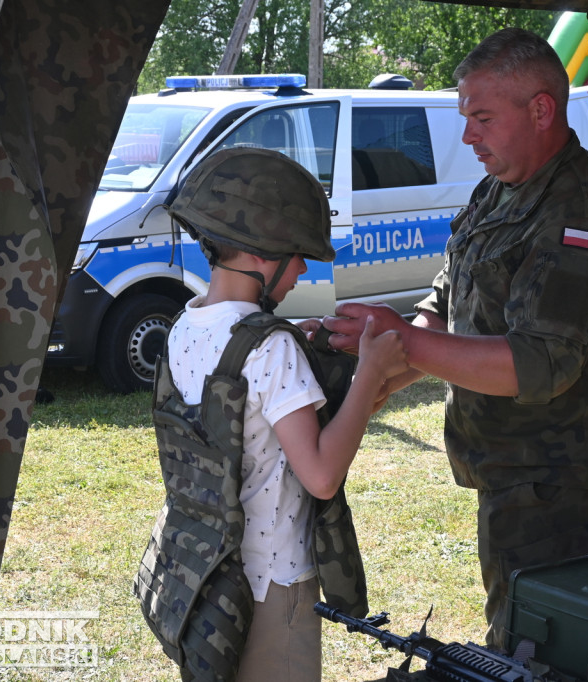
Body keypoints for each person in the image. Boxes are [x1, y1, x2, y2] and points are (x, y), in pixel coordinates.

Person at [320, 27, 588, 650]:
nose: (467, 135)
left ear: (540, 109)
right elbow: (451, 308)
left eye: (481, 117)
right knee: (519, 632)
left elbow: (540, 363)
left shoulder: (575, 217)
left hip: (559, 484)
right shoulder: (502, 189)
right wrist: (385, 366)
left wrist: (407, 344)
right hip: (514, 472)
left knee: (537, 649)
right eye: (464, 117)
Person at [149, 147, 407, 681]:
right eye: (297, 252)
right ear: (264, 255)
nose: (305, 267)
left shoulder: (185, 324)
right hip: (273, 586)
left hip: (207, 583)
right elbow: (320, 475)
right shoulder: (271, 348)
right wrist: (370, 372)